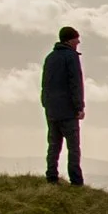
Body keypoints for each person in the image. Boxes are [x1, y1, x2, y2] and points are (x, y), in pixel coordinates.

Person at [41, 25, 86, 184]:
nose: (78, 41)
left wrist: (46, 104)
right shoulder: (71, 57)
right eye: (76, 38)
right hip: (68, 110)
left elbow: (45, 84)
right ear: (70, 39)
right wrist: (79, 107)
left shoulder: (50, 57)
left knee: (53, 145)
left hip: (52, 109)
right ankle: (76, 181)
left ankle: (51, 176)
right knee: (73, 147)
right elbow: (75, 83)